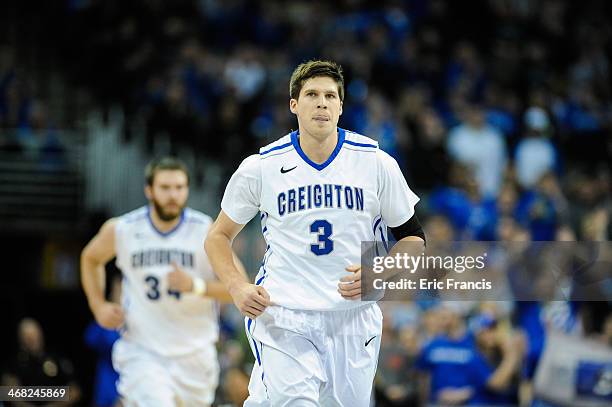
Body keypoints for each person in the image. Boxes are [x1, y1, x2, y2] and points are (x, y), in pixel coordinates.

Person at [205, 60, 425, 406]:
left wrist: (379, 272)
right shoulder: (261, 167)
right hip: (286, 314)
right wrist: (236, 286)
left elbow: (413, 240)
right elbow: (218, 236)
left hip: (353, 317)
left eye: (329, 95)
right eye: (311, 94)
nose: (321, 102)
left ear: (340, 106)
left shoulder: (376, 163)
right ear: (294, 105)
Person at [81, 156, 244, 406]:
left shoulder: (206, 231)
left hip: (195, 353)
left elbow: (239, 286)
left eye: (179, 188)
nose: (173, 195)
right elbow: (91, 258)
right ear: (149, 190)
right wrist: (98, 305)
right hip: (143, 350)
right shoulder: (123, 228)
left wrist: (195, 286)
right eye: (165, 188)